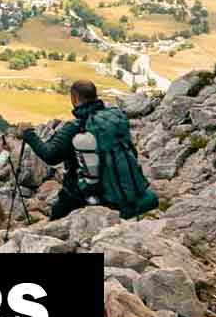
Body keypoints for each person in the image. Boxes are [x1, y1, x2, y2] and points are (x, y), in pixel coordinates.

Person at [22, 80, 160, 221]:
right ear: (95, 96)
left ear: (74, 99)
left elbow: (50, 156)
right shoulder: (114, 118)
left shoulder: (77, 127)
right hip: (125, 187)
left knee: (56, 219)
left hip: (86, 194)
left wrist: (29, 134)